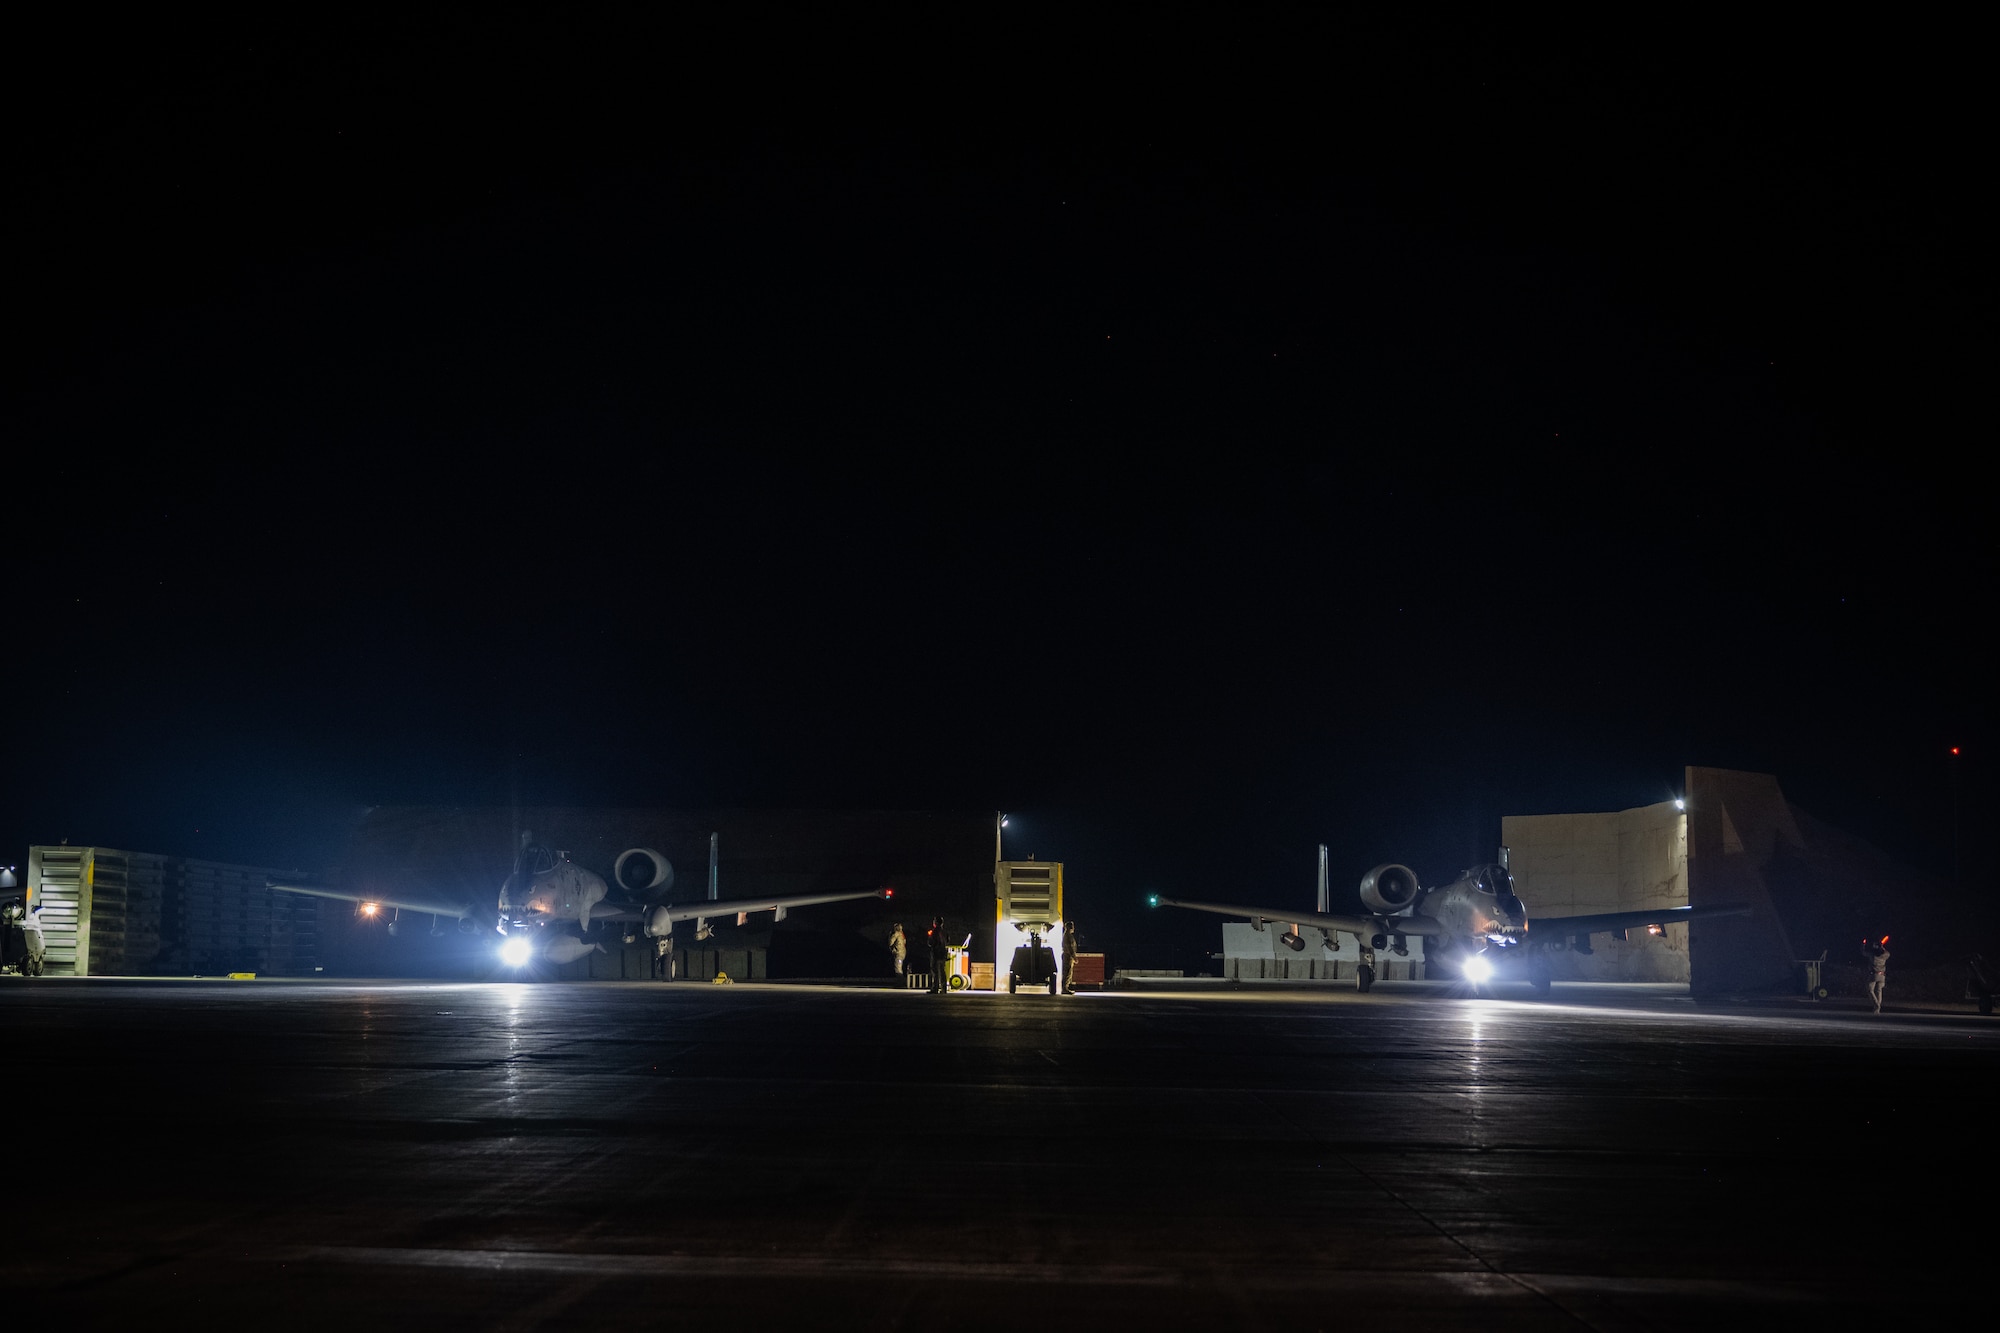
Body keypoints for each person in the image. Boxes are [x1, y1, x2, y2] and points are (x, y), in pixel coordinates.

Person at [1862, 936, 1890, 1013]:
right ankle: (1877, 1008)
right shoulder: (1885, 955)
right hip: (1882, 975)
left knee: (1870, 990)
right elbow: (1886, 952)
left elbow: (1864, 952)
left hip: (1874, 974)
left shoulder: (1872, 955)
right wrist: (1882, 946)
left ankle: (1876, 1005)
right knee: (1879, 991)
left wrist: (1863, 945)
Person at [928, 916, 949, 994]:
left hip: (936, 952)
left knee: (935, 971)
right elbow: (947, 941)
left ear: (936, 922)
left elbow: (931, 942)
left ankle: (935, 988)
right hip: (943, 952)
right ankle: (944, 988)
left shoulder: (934, 931)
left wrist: (929, 938)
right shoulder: (945, 931)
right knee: (942, 971)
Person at [1062, 920, 1079, 994]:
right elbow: (1070, 947)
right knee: (1067, 972)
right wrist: (1074, 957)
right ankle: (1065, 988)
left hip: (1068, 956)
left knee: (1068, 972)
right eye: (1072, 926)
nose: (1073, 928)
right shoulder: (1068, 936)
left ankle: (1066, 987)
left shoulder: (1068, 935)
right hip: (1068, 956)